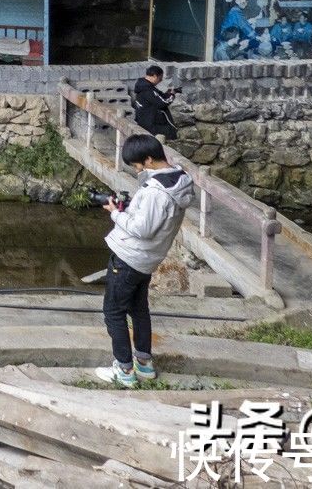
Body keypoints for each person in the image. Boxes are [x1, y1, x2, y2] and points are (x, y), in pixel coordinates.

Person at [95, 135, 196, 388]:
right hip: (148, 260)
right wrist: (129, 207)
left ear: (149, 159)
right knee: (138, 310)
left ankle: (124, 370)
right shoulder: (179, 180)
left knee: (113, 312)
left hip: (130, 257)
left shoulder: (155, 192)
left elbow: (143, 229)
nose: (137, 170)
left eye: (138, 165)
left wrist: (117, 214)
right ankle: (144, 363)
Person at [131, 65, 178, 139]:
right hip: (151, 126)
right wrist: (172, 94)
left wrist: (168, 93)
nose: (161, 80)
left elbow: (159, 96)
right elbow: (163, 103)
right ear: (155, 76)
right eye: (160, 78)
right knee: (171, 133)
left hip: (143, 123)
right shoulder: (148, 90)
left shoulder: (142, 86)